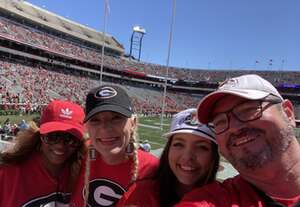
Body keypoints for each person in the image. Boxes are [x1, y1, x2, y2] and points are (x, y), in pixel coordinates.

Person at [176, 74, 300, 207]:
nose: (234, 128)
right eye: (220, 122)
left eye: (248, 110)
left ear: (288, 114)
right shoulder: (212, 201)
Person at [70, 85, 159, 207]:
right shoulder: (77, 155)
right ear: (87, 127)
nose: (105, 128)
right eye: (95, 120)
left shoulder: (153, 170)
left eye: (116, 118)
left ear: (133, 123)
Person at [117, 108, 220, 207]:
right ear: (168, 149)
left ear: (214, 156)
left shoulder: (225, 199)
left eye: (202, 147)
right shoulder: (140, 193)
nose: (187, 156)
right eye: (179, 144)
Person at [0, 100, 85, 206]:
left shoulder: (83, 171)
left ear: (79, 142)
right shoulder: (10, 173)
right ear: (40, 136)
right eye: (52, 137)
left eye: (70, 139)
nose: (60, 145)